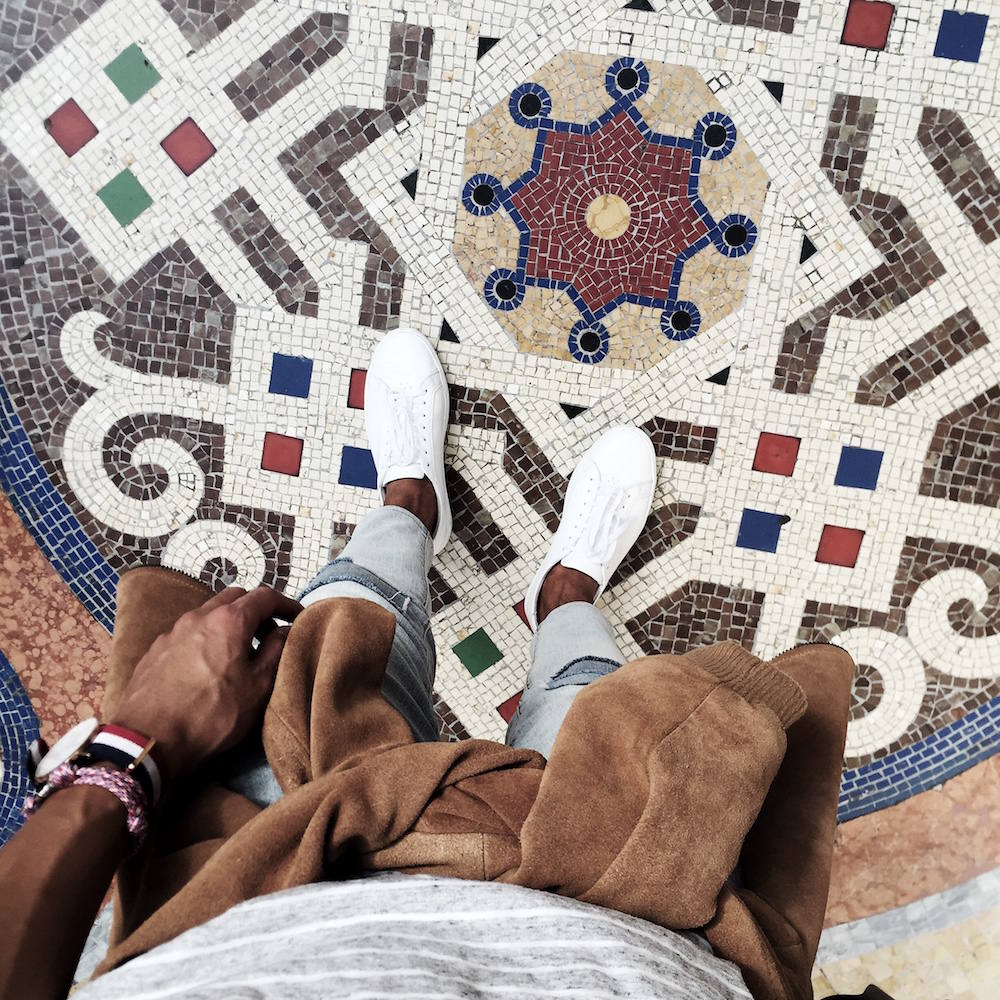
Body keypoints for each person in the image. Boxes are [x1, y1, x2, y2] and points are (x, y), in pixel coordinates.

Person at [0, 329, 878, 1000]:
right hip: (634, 907)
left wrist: (129, 750)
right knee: (591, 702)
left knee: (346, 629)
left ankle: (408, 506)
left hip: (268, 870)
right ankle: (563, 595)